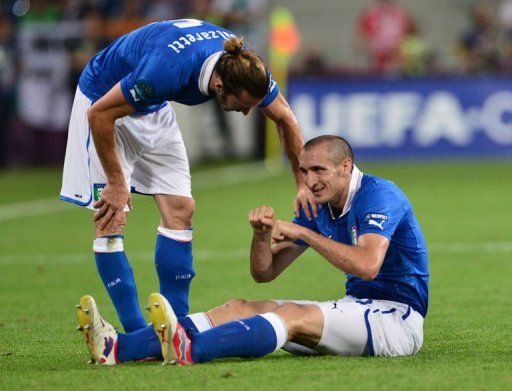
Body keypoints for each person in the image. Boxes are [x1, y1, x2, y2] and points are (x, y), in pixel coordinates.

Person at [75, 135, 429, 365]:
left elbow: (367, 265)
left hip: (398, 320)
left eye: (318, 170)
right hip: (359, 309)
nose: (310, 181)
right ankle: (117, 348)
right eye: (304, 171)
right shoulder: (320, 205)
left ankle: (188, 349)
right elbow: (265, 273)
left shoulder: (380, 196)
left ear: (346, 167)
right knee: (239, 307)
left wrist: (303, 233)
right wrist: (261, 236)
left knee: (290, 314)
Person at [61, 18, 315, 335]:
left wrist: (303, 183)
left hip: (151, 105)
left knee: (181, 209)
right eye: (244, 105)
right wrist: (116, 182)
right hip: (102, 101)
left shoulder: (242, 63)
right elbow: (99, 114)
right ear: (220, 87)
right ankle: (138, 334)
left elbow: (285, 117)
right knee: (111, 217)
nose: (249, 112)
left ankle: (173, 330)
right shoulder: (165, 70)